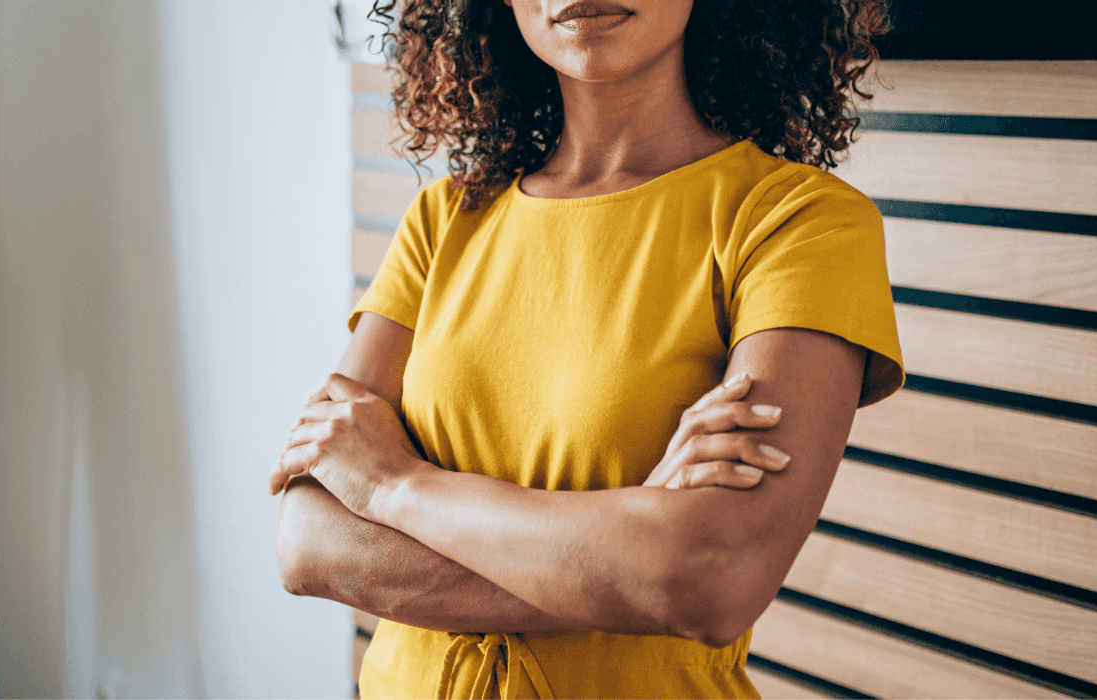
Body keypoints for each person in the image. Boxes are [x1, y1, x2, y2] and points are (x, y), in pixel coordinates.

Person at [271, 0, 902, 696]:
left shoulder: (798, 225)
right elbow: (308, 542)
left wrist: (395, 485)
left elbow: (711, 579)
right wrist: (626, 557)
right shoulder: (444, 219)